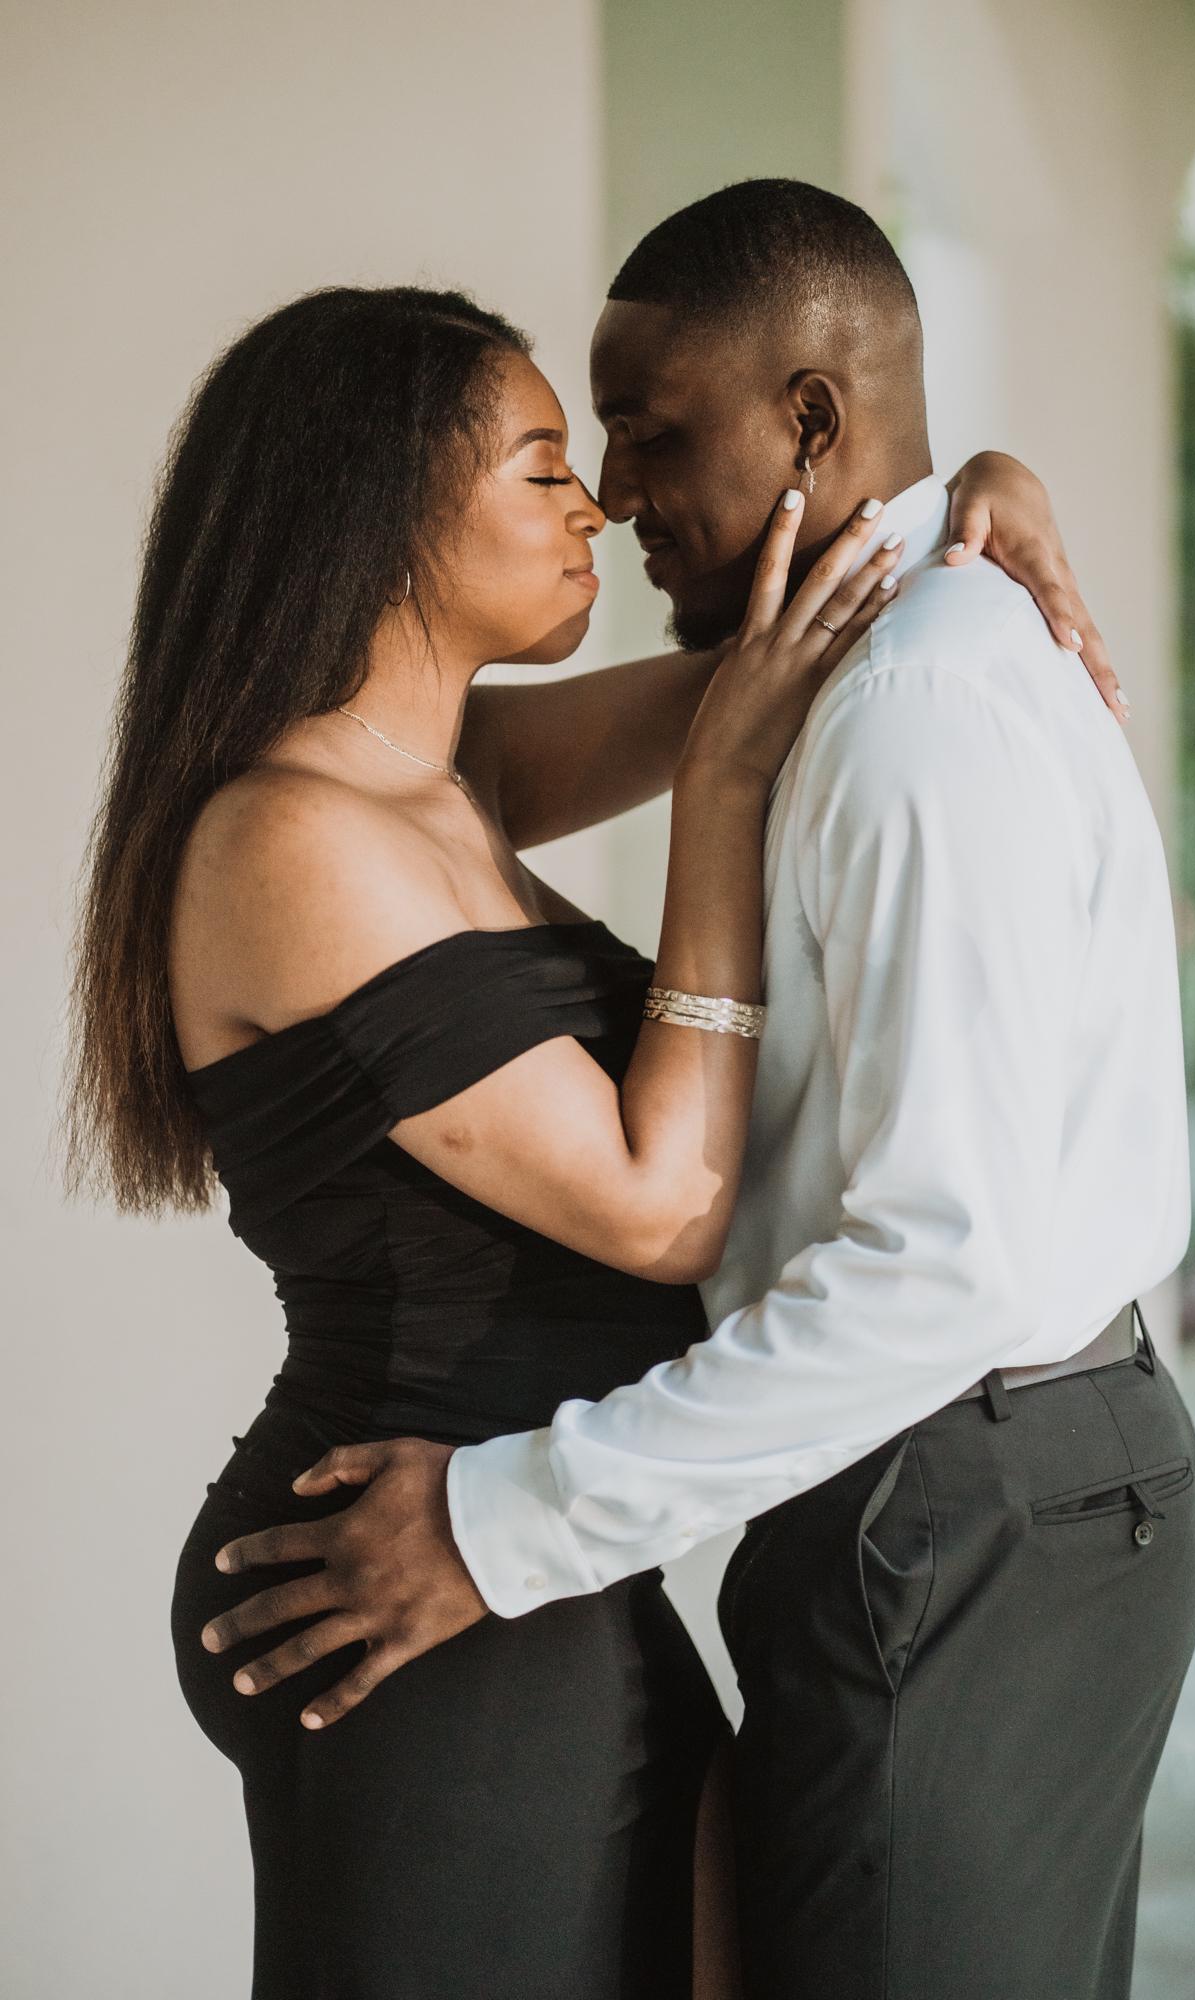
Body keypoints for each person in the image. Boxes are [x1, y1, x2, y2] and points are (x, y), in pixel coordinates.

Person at [68, 257, 1125, 1996]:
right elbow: (657, 1205)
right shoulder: (291, 838)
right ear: (382, 510)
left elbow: (798, 647)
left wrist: (967, 496)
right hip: (399, 1558)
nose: (602, 504)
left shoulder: (447, 776)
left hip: (532, 1556)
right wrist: (719, 802)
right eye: (548, 463)